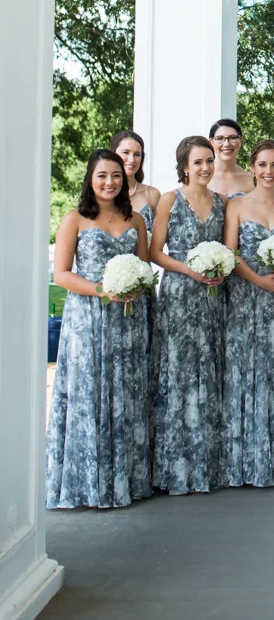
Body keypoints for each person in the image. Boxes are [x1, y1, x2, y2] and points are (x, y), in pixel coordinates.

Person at [46, 150, 152, 509]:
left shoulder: (136, 220)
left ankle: (124, 480)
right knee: (88, 392)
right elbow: (62, 274)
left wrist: (135, 287)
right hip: (88, 318)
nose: (110, 182)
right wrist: (101, 290)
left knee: (125, 391)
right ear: (90, 179)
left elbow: (144, 267)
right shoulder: (74, 218)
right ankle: (86, 483)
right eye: (102, 175)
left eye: (116, 175)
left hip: (128, 318)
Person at [222, 141, 274, 487]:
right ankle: (246, 460)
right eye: (262, 165)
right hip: (247, 300)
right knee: (248, 371)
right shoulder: (237, 205)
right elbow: (230, 253)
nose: (268, 171)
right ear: (253, 167)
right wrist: (258, 279)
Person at [150, 136, 227, 494]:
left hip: (212, 296)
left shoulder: (222, 202)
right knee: (178, 371)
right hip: (179, 295)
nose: (205, 167)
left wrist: (218, 269)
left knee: (209, 369)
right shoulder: (170, 199)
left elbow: (228, 248)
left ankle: (207, 464)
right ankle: (175, 466)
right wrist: (188, 270)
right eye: (198, 162)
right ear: (184, 166)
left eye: (209, 160)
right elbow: (155, 252)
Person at [109, 129, 161, 234]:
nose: (132, 160)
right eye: (126, 152)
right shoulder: (103, 193)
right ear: (113, 154)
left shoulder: (152, 194)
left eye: (137, 154)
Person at [209, 117, 254, 197]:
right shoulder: (203, 177)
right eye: (220, 138)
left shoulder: (252, 180)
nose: (226, 144)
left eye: (232, 137)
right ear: (211, 142)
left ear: (240, 140)